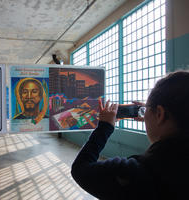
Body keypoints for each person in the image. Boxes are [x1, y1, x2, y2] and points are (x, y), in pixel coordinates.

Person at [71, 71, 189, 200]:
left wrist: (104, 127)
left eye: (146, 109)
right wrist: (152, 114)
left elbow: (80, 169)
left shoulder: (133, 172)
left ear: (160, 114)